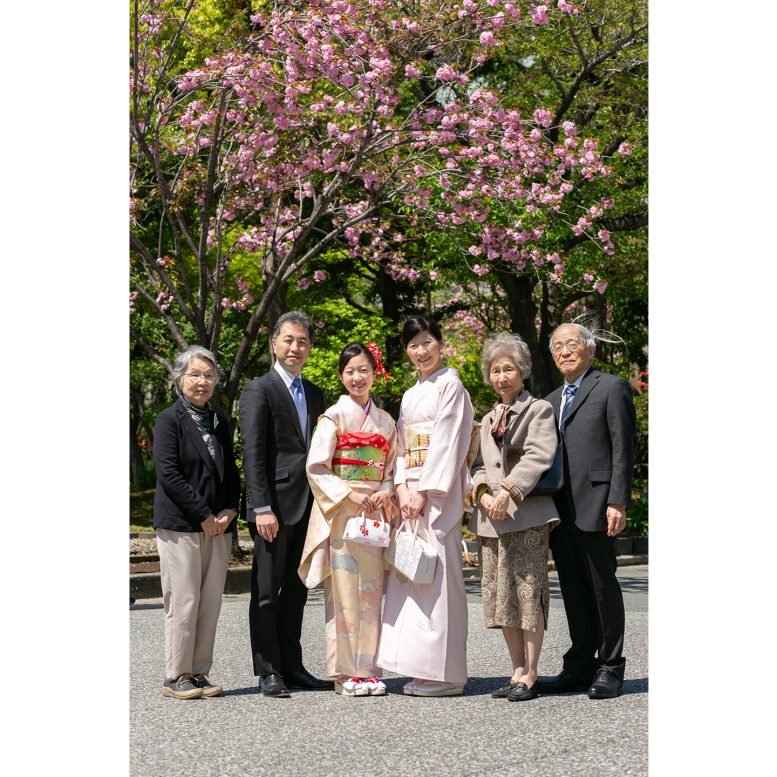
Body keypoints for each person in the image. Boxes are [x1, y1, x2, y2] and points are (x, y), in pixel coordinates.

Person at [537, 323, 636, 699]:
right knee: (574, 589)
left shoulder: (610, 387)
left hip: (597, 502)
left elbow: (622, 446)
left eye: (572, 344)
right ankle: (579, 665)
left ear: (590, 349)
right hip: (559, 508)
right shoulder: (548, 400)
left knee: (602, 586)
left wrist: (618, 500)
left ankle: (611, 667)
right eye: (557, 346)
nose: (564, 351)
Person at [377, 316, 474, 696]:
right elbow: (402, 443)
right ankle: (421, 667)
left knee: (439, 579)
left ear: (440, 342)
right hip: (411, 494)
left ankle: (447, 673)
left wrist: (425, 490)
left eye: (427, 342)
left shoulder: (451, 386)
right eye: (413, 345)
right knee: (412, 575)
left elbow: (449, 441)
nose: (421, 351)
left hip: (437, 493)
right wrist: (401, 486)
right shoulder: (411, 393)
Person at [239, 311, 331, 698]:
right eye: (289, 340)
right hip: (273, 509)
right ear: (274, 343)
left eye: (303, 341)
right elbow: (253, 453)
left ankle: (293, 666)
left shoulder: (314, 393)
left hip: (309, 506)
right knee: (266, 590)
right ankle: (268, 669)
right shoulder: (258, 390)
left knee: (296, 591)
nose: (296, 347)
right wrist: (261, 507)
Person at [299, 342, 398, 697]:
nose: (357, 377)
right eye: (350, 371)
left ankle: (368, 669)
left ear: (375, 374)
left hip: (374, 510)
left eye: (364, 370)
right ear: (341, 376)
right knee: (342, 592)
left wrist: (385, 490)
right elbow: (317, 466)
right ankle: (344, 672)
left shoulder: (386, 421)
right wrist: (350, 494)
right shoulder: (333, 417)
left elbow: (390, 468)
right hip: (343, 510)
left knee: (372, 593)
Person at [470, 333, 560, 702]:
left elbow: (539, 455)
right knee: (500, 596)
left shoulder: (538, 409)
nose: (502, 376)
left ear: (522, 372)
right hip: (491, 520)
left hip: (527, 516)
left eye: (509, 369)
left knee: (527, 593)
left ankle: (532, 673)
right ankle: (516, 669)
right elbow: (475, 465)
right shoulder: (487, 418)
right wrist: (484, 494)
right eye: (496, 370)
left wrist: (506, 490)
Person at [152, 345, 240, 699]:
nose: (202, 382)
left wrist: (229, 510)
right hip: (180, 526)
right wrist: (203, 515)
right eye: (194, 375)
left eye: (208, 375)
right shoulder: (168, 420)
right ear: (179, 378)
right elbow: (169, 474)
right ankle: (177, 674)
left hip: (218, 526)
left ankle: (200, 673)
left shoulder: (219, 422)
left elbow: (231, 473)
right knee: (184, 600)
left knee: (210, 601)